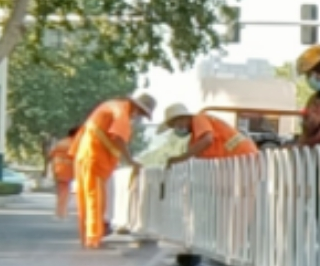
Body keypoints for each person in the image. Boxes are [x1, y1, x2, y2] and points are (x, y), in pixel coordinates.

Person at [73, 92, 155, 248]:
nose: (138, 118)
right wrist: (130, 161)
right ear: (136, 108)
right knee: (95, 199)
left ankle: (88, 237)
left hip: (86, 155)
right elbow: (118, 138)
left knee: (87, 198)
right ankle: (93, 239)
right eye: (142, 114)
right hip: (95, 158)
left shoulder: (113, 106)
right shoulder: (122, 113)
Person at [161, 104, 258, 162]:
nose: (177, 127)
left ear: (184, 118)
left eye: (177, 123)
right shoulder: (193, 142)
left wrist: (181, 158)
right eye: (173, 126)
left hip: (244, 155)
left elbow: (208, 139)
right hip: (233, 162)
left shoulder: (199, 118)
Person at [47, 127, 79, 217]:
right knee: (65, 192)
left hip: (57, 169)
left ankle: (60, 211)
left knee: (61, 191)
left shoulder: (61, 143)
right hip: (68, 170)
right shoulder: (75, 144)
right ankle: (61, 213)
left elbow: (51, 155)